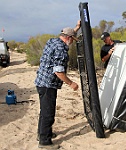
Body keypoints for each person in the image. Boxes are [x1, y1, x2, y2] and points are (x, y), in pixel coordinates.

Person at [35, 20, 81, 149]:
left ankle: (42, 133)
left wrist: (76, 28)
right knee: (48, 112)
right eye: (72, 39)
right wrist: (71, 83)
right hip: (48, 84)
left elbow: (69, 34)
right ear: (68, 38)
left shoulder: (53, 41)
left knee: (44, 110)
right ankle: (44, 142)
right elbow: (58, 71)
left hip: (41, 82)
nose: (72, 42)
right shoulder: (61, 49)